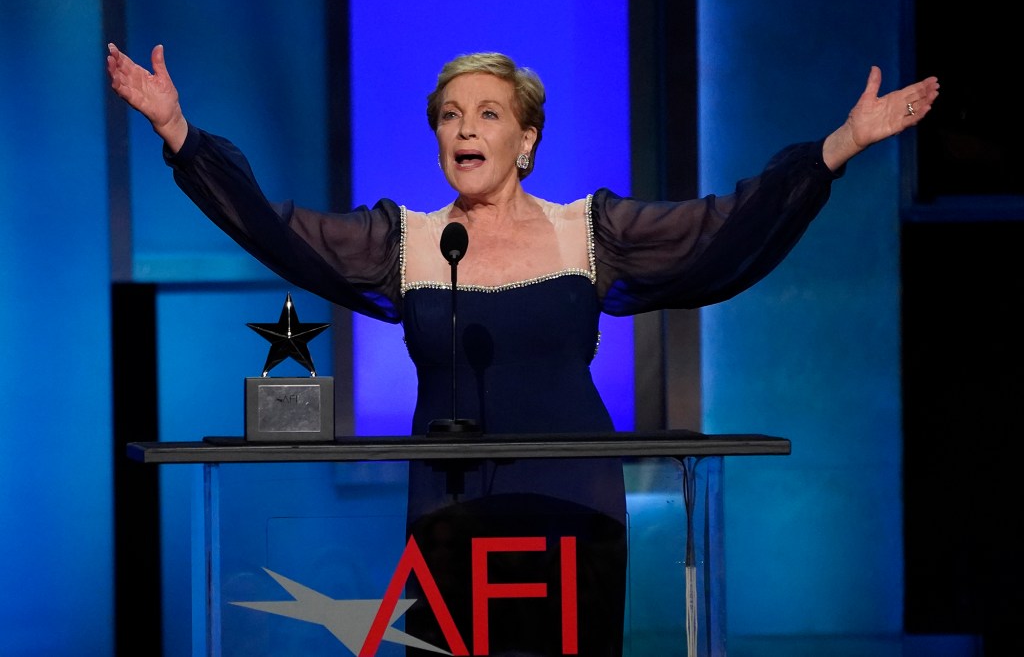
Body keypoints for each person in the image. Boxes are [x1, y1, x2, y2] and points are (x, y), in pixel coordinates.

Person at [106, 42, 938, 656]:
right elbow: (279, 229)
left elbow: (723, 226)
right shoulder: (407, 242)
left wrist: (838, 149)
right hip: (449, 507)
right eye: (449, 116)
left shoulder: (591, 230)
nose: (464, 129)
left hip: (571, 499)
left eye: (487, 114)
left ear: (527, 139)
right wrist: (180, 132)